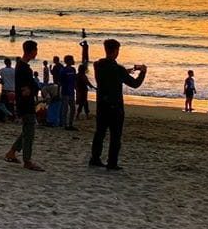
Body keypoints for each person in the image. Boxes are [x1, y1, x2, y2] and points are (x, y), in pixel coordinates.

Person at [89, 39, 147, 171]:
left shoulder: (98, 65)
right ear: (116, 51)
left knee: (100, 132)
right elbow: (135, 84)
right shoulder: (118, 70)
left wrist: (125, 72)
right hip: (115, 106)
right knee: (115, 136)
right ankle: (112, 162)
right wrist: (143, 72)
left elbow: (111, 73)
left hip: (102, 104)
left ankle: (95, 158)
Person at [4, 40, 42, 171]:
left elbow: (30, 87)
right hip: (25, 103)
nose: (36, 53)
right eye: (36, 50)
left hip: (24, 102)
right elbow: (27, 88)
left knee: (27, 130)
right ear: (31, 51)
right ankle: (27, 160)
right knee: (29, 132)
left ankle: (12, 152)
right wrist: (31, 89)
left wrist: (31, 89)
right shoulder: (24, 68)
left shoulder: (21, 66)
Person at [60, 55, 78, 130]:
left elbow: (74, 80)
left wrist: (76, 89)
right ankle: (64, 124)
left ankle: (70, 123)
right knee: (65, 108)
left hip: (71, 92)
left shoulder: (73, 69)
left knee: (73, 108)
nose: (73, 61)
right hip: (65, 92)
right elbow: (60, 82)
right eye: (71, 60)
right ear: (68, 61)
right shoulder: (63, 70)